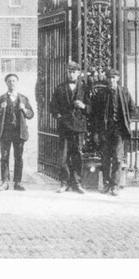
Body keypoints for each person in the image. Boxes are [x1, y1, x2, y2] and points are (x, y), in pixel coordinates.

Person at [90, 68, 137, 196]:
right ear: (107, 79)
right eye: (109, 77)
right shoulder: (101, 94)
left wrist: (127, 121)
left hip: (119, 131)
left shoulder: (124, 92)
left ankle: (115, 185)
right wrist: (96, 132)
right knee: (105, 158)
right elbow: (95, 115)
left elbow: (133, 109)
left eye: (113, 77)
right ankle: (106, 183)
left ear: (118, 78)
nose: (111, 80)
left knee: (117, 157)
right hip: (105, 130)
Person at [51, 60, 90, 194]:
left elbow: (91, 108)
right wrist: (58, 116)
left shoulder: (85, 88)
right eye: (69, 72)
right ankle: (64, 182)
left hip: (79, 127)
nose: (71, 74)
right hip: (65, 127)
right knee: (64, 155)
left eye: (74, 72)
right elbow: (53, 107)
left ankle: (77, 182)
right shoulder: (60, 88)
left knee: (78, 154)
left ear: (79, 73)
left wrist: (84, 106)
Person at [0, 73, 35, 191]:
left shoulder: (24, 99)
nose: (12, 83)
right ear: (6, 83)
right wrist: (1, 109)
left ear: (17, 83)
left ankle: (18, 182)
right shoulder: (1, 99)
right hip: (5, 132)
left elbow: (31, 114)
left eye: (14, 81)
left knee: (19, 157)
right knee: (4, 157)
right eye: (9, 81)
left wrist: (24, 109)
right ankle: (5, 182)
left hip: (19, 132)